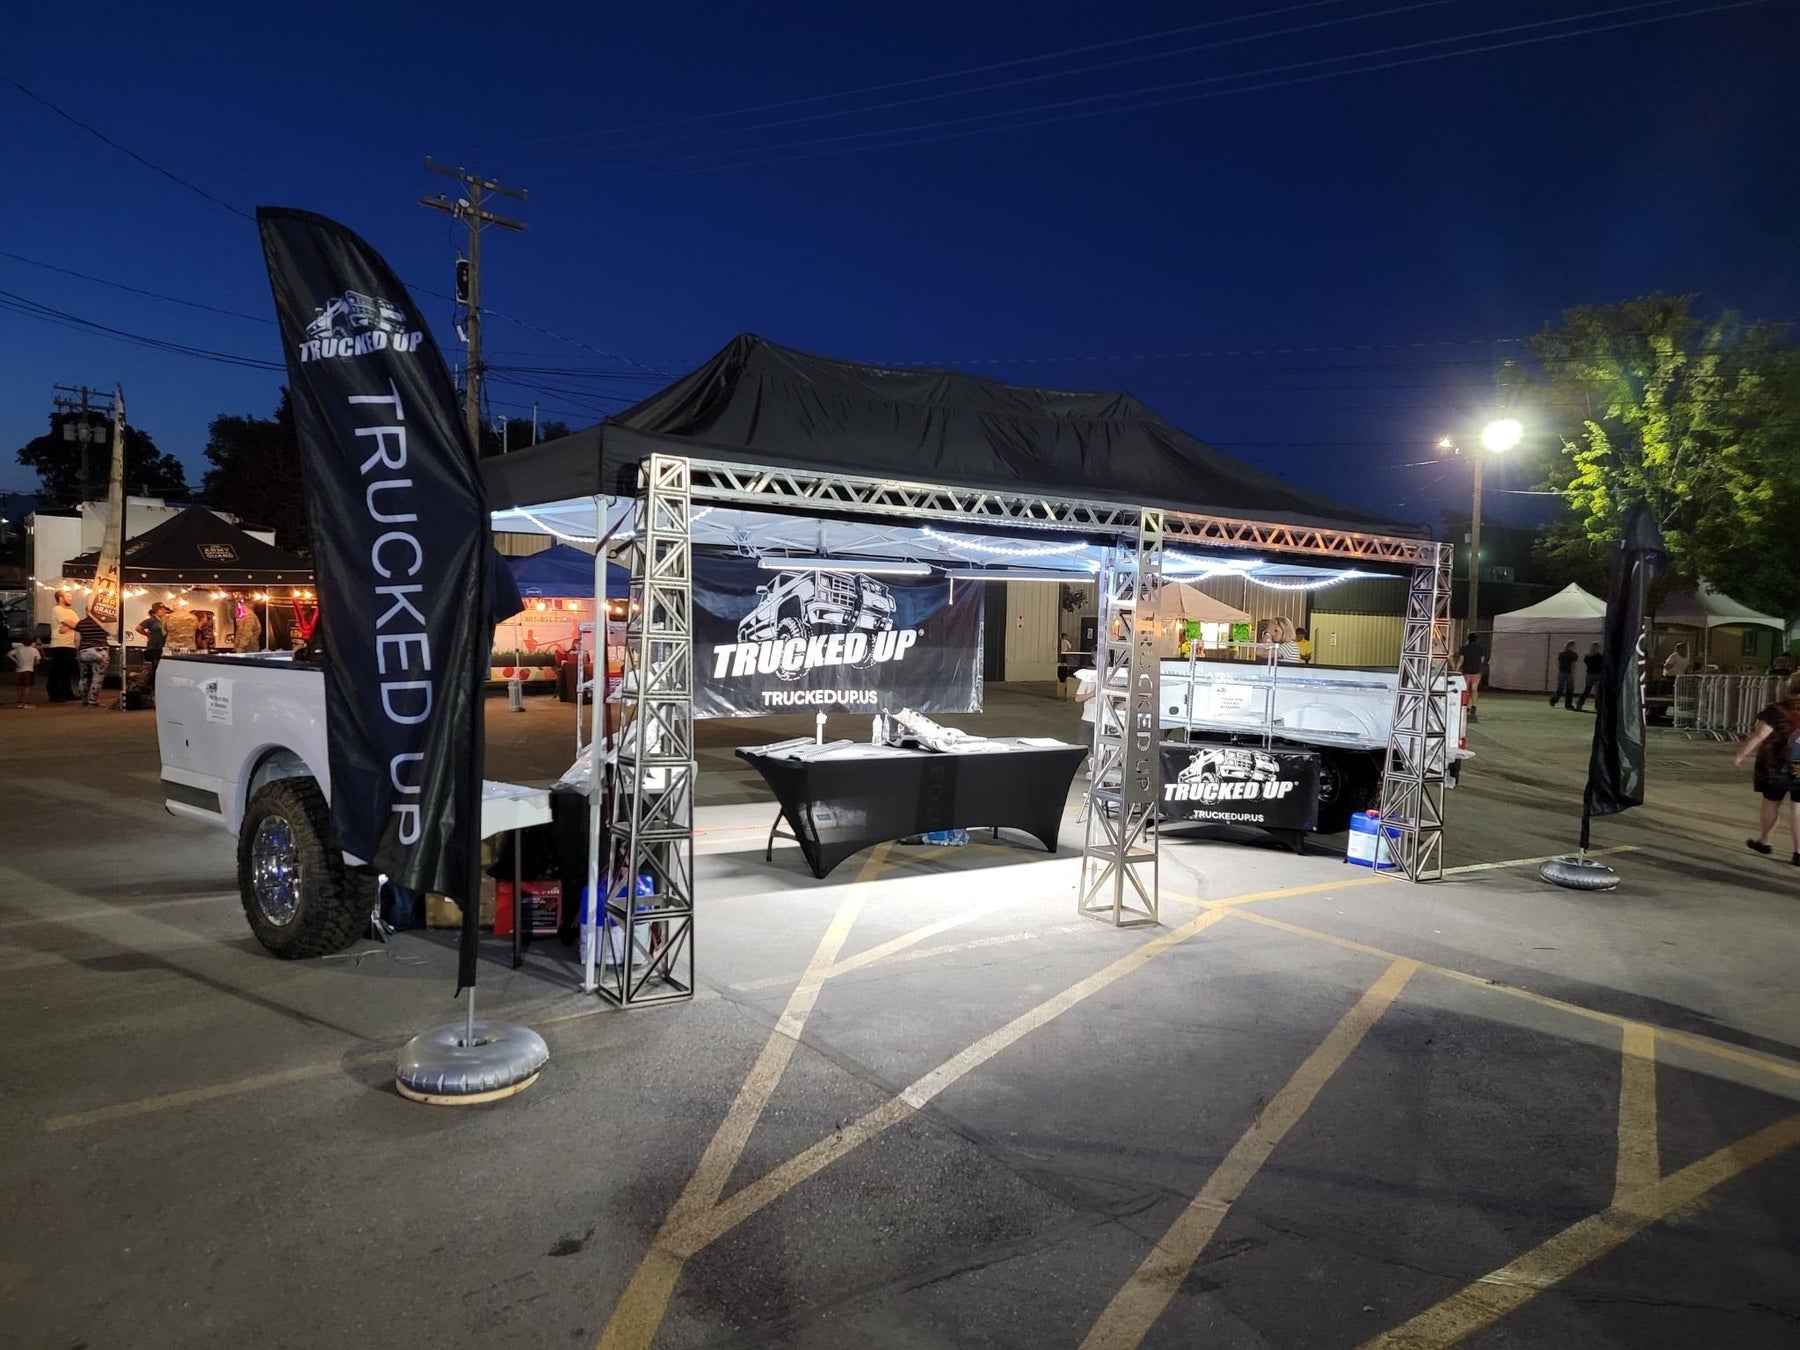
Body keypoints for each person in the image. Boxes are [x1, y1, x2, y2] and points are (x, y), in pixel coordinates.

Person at [1733, 672, 1800, 864]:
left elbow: (1760, 735)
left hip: (1775, 765)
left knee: (1772, 801)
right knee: (1798, 806)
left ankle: (1765, 841)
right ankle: (1798, 852)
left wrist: (1741, 754)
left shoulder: (1777, 710)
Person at [47, 589, 80, 703]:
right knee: (57, 671)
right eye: (68, 596)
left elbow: (78, 625)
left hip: (70, 645)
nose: (71, 598)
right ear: (60, 598)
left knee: (67, 672)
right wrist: (71, 625)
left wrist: (68, 626)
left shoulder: (72, 612)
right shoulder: (57, 609)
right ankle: (54, 694)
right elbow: (73, 624)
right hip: (59, 645)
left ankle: (67, 693)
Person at [74, 609, 110, 707]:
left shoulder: (80, 623)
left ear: (86, 611)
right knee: (97, 677)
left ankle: (83, 700)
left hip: (84, 651)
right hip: (100, 651)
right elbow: (110, 634)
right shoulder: (103, 623)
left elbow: (77, 639)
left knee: (84, 677)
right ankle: (93, 701)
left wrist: (78, 652)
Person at [136, 602, 170, 689]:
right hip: (154, 646)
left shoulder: (165, 620)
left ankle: (163, 685)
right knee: (156, 665)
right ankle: (155, 686)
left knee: (164, 666)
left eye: (164, 610)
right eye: (162, 610)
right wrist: (147, 635)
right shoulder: (150, 620)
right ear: (156, 611)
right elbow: (138, 628)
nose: (164, 611)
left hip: (164, 646)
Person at [9, 635, 40, 708]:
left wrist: (16, 661)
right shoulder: (34, 650)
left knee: (20, 686)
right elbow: (38, 661)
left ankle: (20, 702)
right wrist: (32, 664)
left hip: (19, 670)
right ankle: (25, 703)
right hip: (29, 670)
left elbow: (9, 654)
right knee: (27, 687)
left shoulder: (19, 649)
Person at [1459, 634, 1485, 722]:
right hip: (1476, 671)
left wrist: (1457, 668)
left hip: (1467, 671)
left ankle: (1466, 706)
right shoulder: (1480, 648)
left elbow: (1461, 659)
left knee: (1467, 689)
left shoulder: (1464, 648)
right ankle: (1474, 705)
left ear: (1468, 639)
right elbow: (1482, 660)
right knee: (1474, 689)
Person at [1574, 642, 1604, 711]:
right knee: (1588, 690)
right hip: (1592, 674)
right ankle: (1580, 704)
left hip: (1596, 674)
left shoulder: (1596, 656)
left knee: (1596, 692)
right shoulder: (1593, 656)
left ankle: (1597, 706)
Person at [1550, 641, 1579, 709]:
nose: (1575, 647)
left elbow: (1559, 663)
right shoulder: (1574, 654)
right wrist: (1573, 673)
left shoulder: (1561, 654)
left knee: (1560, 689)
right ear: (1571, 646)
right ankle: (1568, 704)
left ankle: (1553, 700)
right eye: (1574, 646)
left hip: (1561, 672)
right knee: (1570, 689)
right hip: (1569, 673)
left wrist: (1559, 671)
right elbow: (1573, 664)